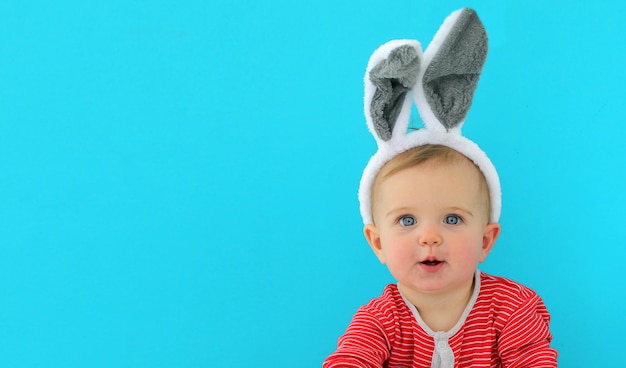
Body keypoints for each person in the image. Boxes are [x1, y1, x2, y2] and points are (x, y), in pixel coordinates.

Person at [323, 8, 557, 368]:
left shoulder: (513, 309)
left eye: (451, 218)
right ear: (378, 242)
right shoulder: (379, 321)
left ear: (485, 240)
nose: (429, 237)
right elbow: (349, 359)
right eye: (406, 221)